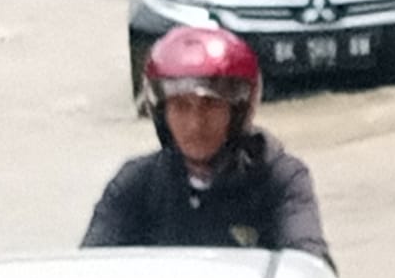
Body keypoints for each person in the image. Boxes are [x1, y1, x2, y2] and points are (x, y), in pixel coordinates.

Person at [81, 28, 332, 265]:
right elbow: (90, 270)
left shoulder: (281, 179)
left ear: (238, 110)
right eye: (181, 106)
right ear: (162, 113)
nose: (195, 124)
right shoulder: (136, 183)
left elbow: (308, 264)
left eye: (211, 105)